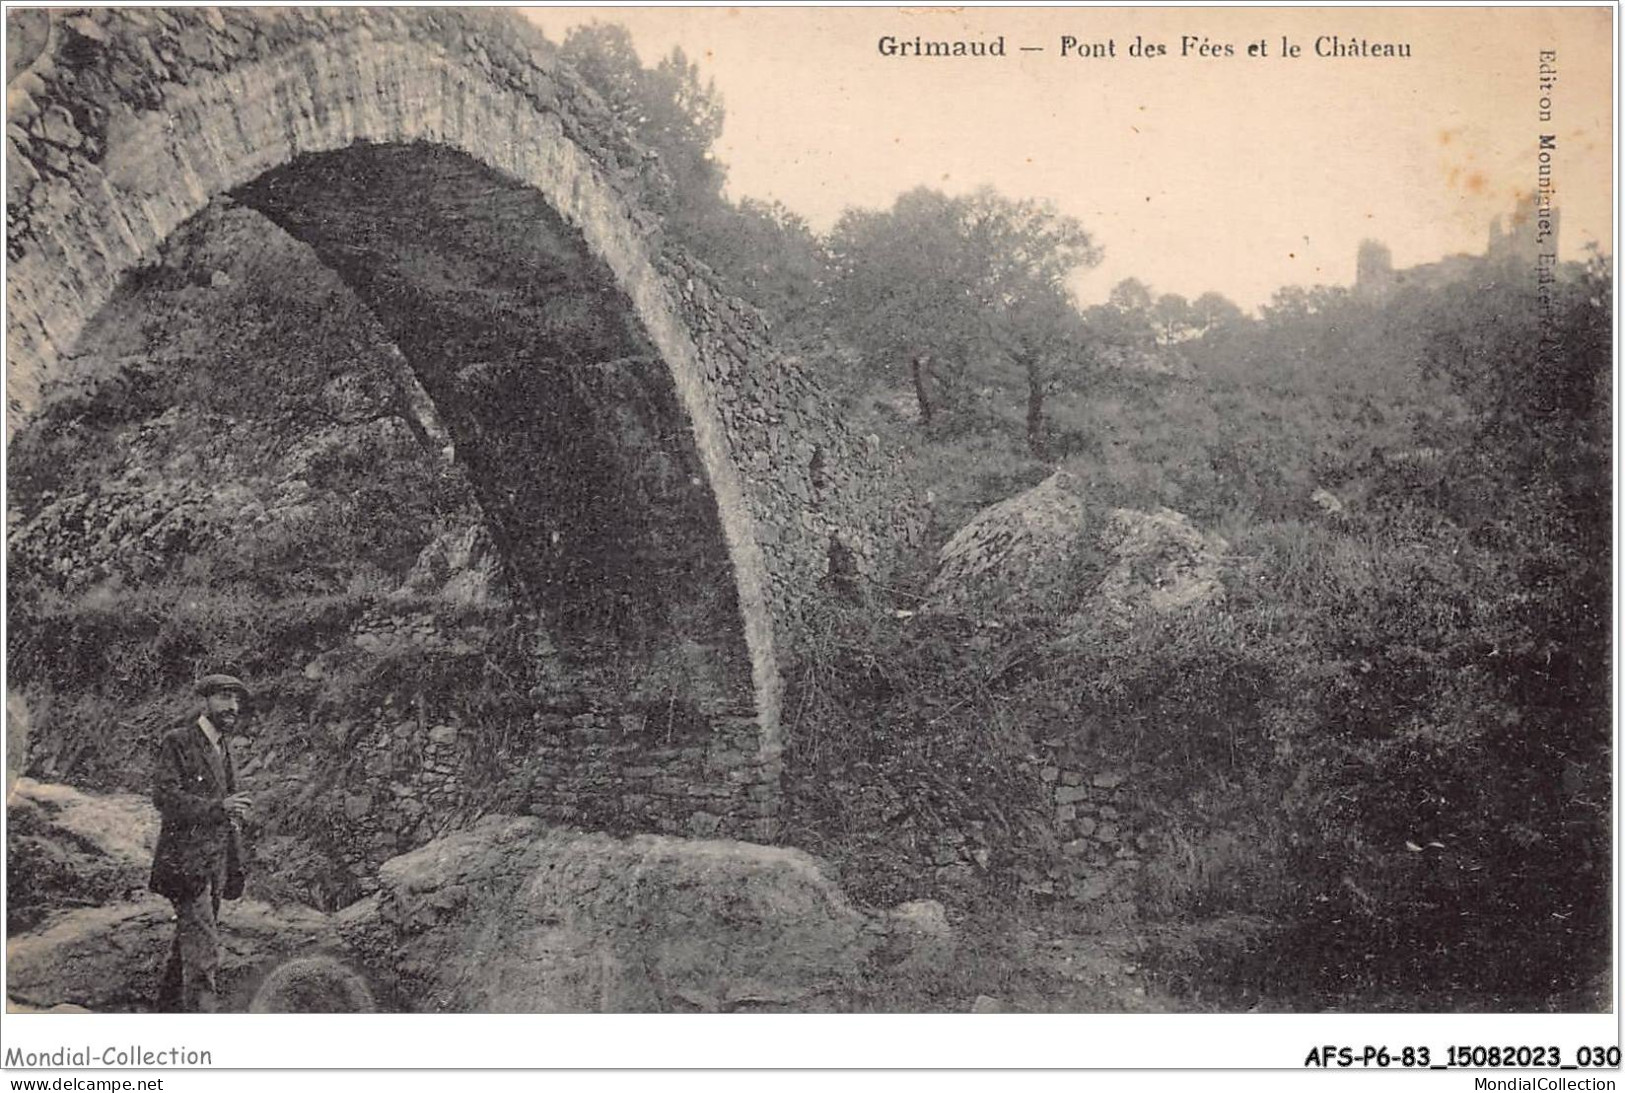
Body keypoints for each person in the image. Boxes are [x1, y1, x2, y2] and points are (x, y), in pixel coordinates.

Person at [149, 673, 253, 1013]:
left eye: (235, 700)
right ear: (204, 701)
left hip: (217, 864)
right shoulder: (178, 741)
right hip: (187, 864)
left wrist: (235, 863)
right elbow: (164, 798)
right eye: (224, 697)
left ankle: (166, 1013)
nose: (232, 706)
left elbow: (226, 812)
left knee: (190, 946)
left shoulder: (223, 747)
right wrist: (217, 808)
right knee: (204, 952)